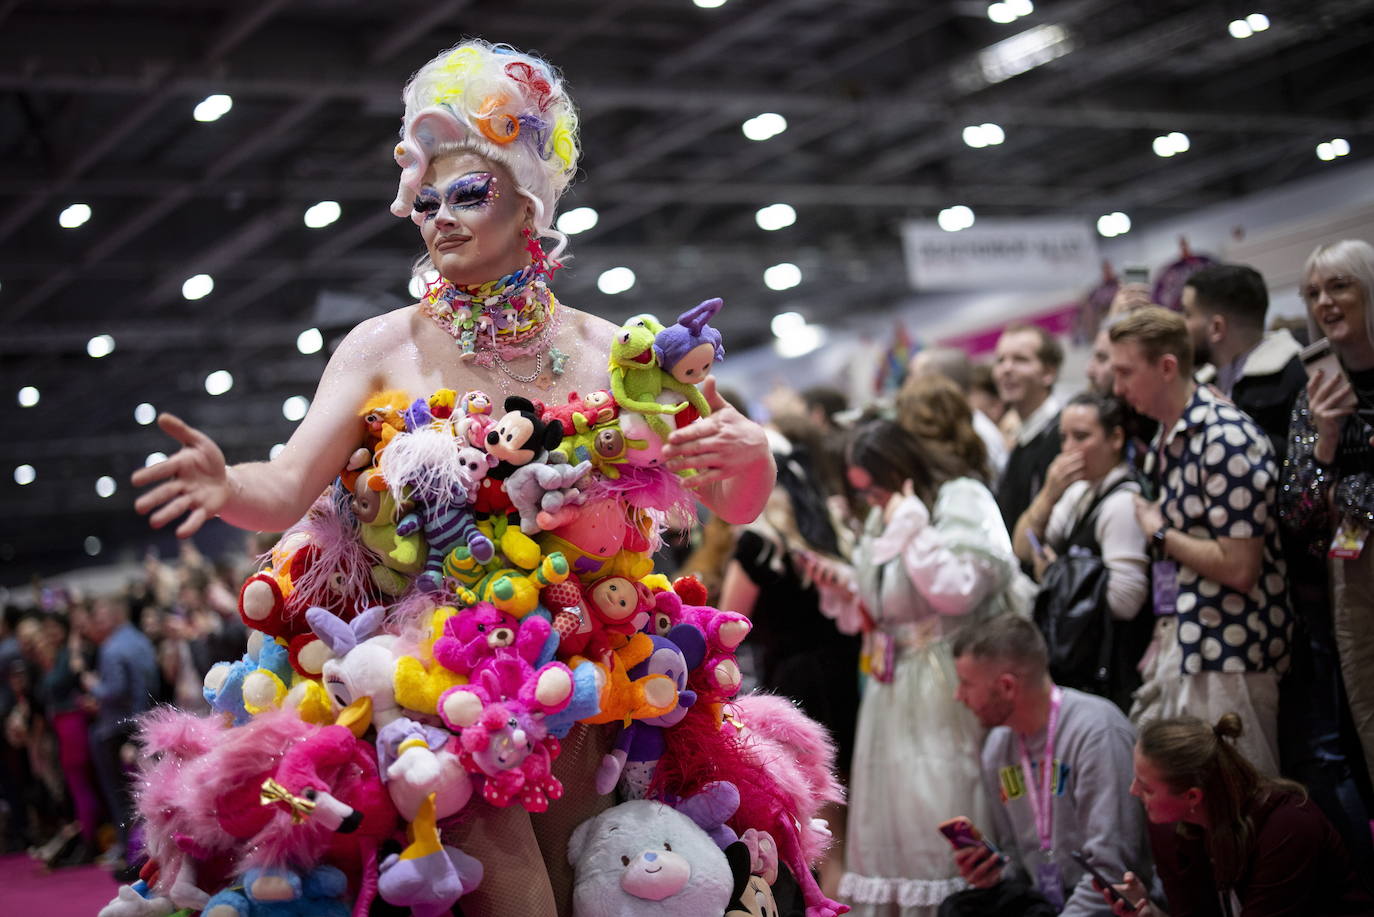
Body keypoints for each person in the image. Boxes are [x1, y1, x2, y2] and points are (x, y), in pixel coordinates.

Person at [130, 39, 775, 917]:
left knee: (590, 886)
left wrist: (756, 460)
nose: (440, 216)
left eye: (469, 190)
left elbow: (733, 498)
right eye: (425, 198)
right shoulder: (379, 346)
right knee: (518, 897)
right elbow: (285, 485)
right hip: (439, 688)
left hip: (594, 678)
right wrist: (224, 483)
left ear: (530, 202)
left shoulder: (612, 352)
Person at [822, 417, 1022, 916]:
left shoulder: (958, 497)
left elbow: (956, 591)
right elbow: (883, 603)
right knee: (898, 811)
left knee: (943, 791)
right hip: (894, 684)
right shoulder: (882, 513)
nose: (871, 500)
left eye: (875, 488)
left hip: (946, 677)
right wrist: (845, 581)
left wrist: (912, 529)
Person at [1108, 308, 1290, 776]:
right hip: (1188, 648)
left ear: (1167, 367)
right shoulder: (1170, 437)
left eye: (1126, 372)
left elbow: (1239, 567)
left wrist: (1161, 533)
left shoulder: (1223, 437)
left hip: (1232, 655)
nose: (1117, 388)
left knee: (1247, 806)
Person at [951, 615, 1152, 917]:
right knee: (956, 909)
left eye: (966, 684)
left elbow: (1112, 870)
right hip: (1044, 903)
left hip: (1106, 906)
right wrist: (993, 873)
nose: (958, 696)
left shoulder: (1097, 733)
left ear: (1007, 686)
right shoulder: (997, 747)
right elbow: (1016, 860)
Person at [1099, 714, 1374, 917]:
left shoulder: (1288, 828)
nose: (1133, 791)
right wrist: (1149, 913)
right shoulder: (1174, 830)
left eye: (1147, 788)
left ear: (1193, 796)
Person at [1278, 239, 1374, 800]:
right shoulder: (1314, 394)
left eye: (1340, 286)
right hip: (1353, 593)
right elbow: (1298, 514)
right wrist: (1328, 436)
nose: (1325, 302)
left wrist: (1353, 492)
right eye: (1314, 292)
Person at [1011, 393, 1150, 708]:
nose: (1068, 449)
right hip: (1080, 664)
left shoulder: (1122, 503)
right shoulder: (1078, 493)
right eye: (1064, 438)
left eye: (1081, 437)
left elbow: (1126, 600)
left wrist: (1056, 577)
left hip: (1112, 670)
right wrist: (1048, 494)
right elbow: (1022, 547)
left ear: (1116, 438)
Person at [1181, 263, 1305, 464]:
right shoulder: (1201, 383)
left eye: (1187, 314)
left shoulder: (1294, 376)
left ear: (1216, 328)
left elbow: (1301, 466)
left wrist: (1238, 423)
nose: (1181, 326)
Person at [82, 595, 160, 869]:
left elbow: (114, 690)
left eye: (101, 616)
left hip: (116, 728)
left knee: (120, 794)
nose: (97, 622)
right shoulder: (140, 640)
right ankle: (145, 851)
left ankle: (131, 852)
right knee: (142, 792)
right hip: (142, 722)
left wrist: (92, 685)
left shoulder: (112, 648)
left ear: (116, 614)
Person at [993, 324, 1064, 532]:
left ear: (1048, 372)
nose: (1006, 369)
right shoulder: (1020, 440)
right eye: (1001, 360)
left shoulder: (1062, 435)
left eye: (1020, 360)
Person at [908, 347, 1008, 478]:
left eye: (914, 377)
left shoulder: (977, 434)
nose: (908, 385)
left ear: (939, 383)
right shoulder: (957, 427)